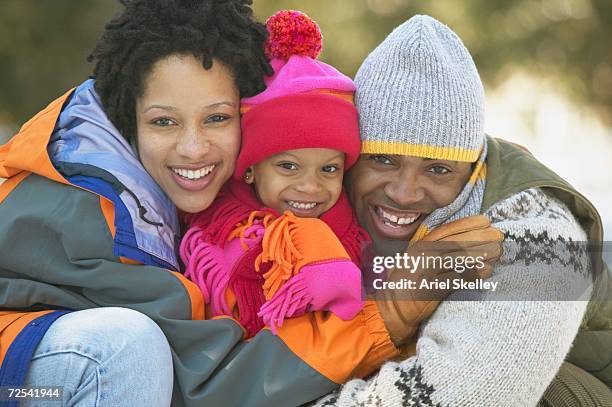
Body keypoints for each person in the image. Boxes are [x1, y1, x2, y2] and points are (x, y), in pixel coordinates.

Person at [0, 2, 400, 405]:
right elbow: (208, 383)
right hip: (20, 376)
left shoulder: (205, 199)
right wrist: (384, 318)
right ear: (129, 118)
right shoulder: (100, 209)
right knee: (128, 347)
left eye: (216, 119)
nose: (193, 149)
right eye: (163, 122)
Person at [314, 15, 611, 406]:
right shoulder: (317, 191)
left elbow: (465, 398)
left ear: (473, 168)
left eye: (438, 169)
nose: (403, 193)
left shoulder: (540, 235)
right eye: (382, 160)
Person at [180, 10, 366, 336]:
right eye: (288, 166)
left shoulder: (354, 231)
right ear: (249, 168)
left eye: (329, 169)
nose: (310, 187)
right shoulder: (221, 239)